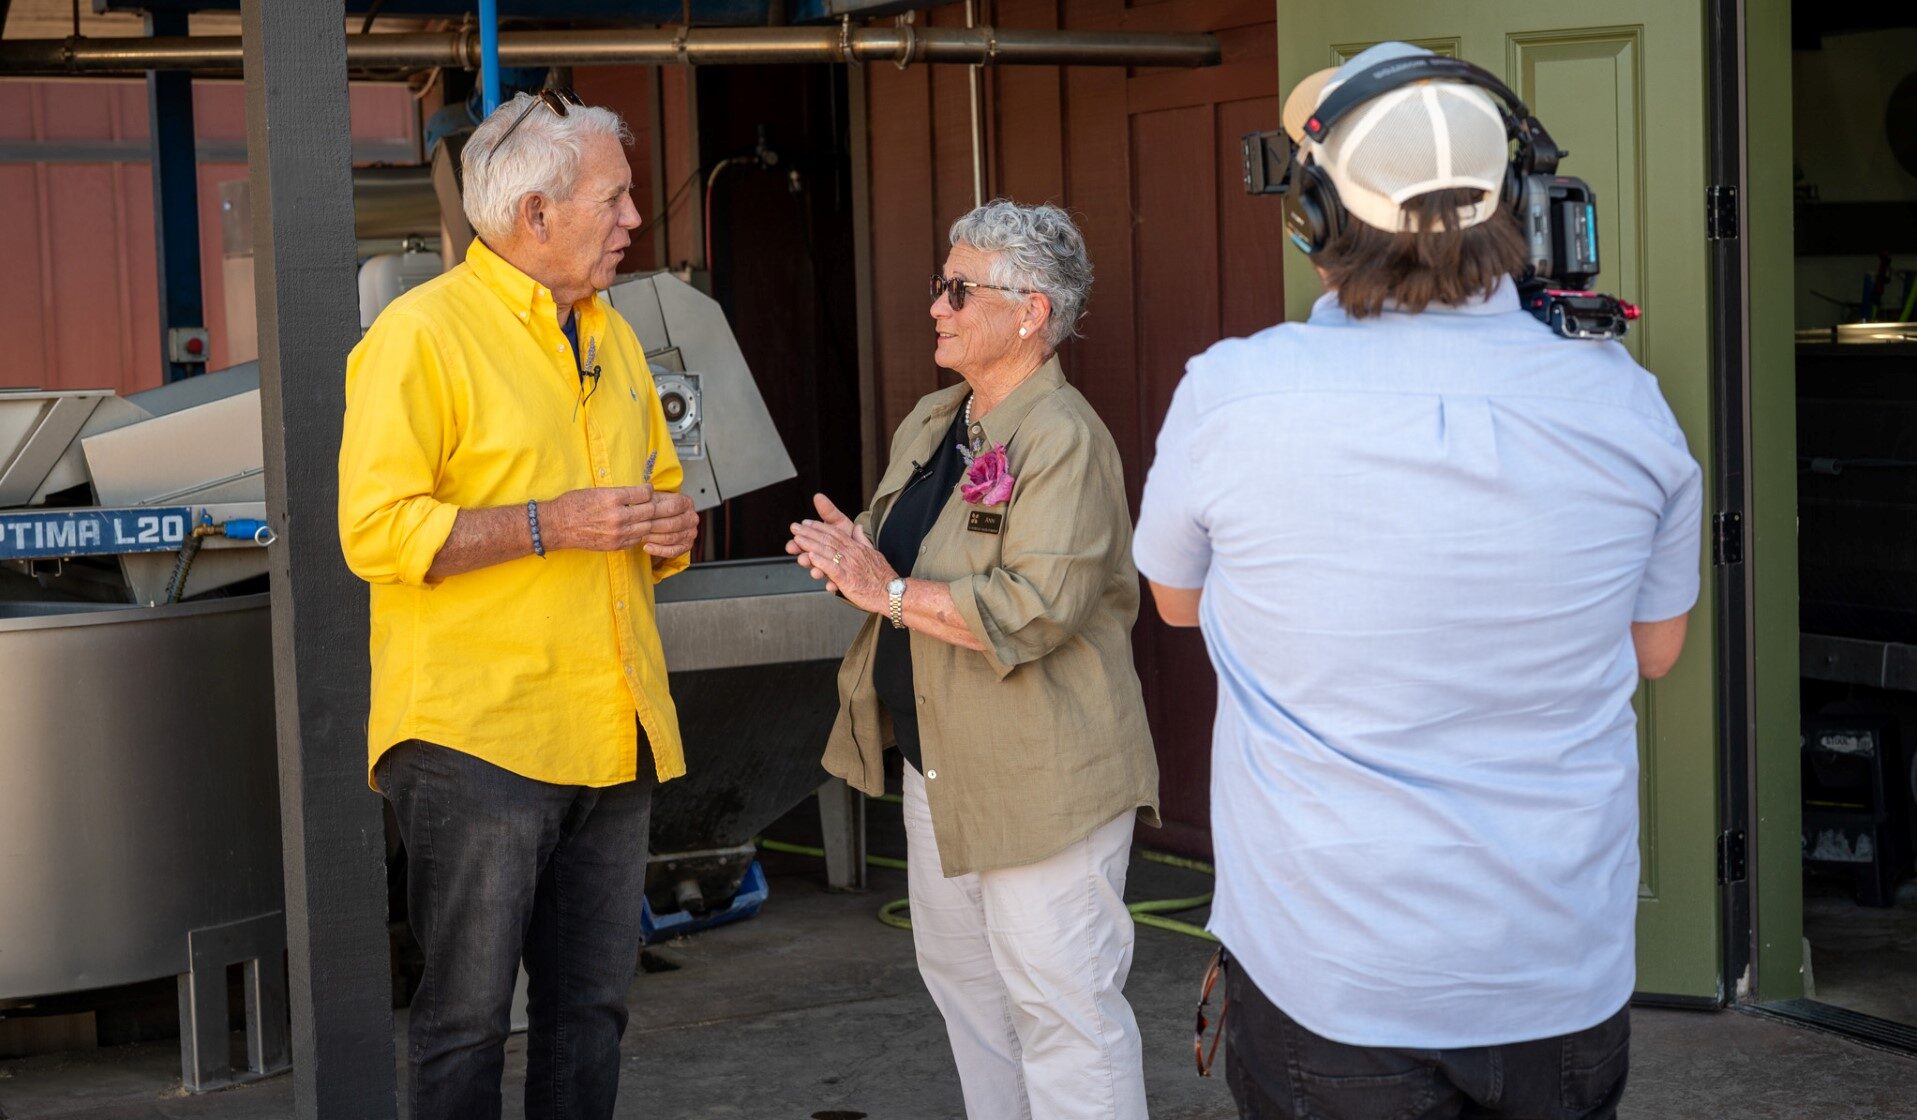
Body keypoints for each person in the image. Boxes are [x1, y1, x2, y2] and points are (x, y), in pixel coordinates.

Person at [1133, 42, 1703, 1120]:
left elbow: (1175, 600)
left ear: (1313, 220)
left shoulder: (1232, 394)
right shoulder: (1623, 401)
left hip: (1330, 976)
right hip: (1558, 972)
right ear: (1523, 212)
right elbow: (1657, 648)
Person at [337, 89, 698, 1120]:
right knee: (466, 1022)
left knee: (591, 1014)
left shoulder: (613, 336)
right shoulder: (422, 336)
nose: (634, 220)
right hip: (477, 740)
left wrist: (671, 528)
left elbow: (659, 490)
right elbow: (375, 532)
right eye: (615, 200)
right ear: (534, 215)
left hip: (613, 729)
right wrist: (552, 524)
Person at [785, 200, 1159, 1120]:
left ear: (1031, 310)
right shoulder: (935, 418)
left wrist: (890, 593)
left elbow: (1035, 611)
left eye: (959, 289)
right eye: (938, 286)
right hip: (942, 763)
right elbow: (895, 544)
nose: (937, 307)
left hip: (1043, 775)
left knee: (1061, 1006)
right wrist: (854, 556)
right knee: (969, 992)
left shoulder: (1063, 436)